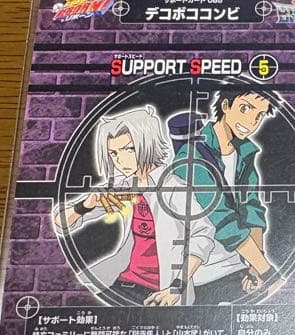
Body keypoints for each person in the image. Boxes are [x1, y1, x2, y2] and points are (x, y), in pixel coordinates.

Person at [53, 106, 219, 307]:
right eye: (113, 153)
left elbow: (203, 233)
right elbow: (60, 223)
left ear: (147, 144)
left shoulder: (173, 187)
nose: (120, 160)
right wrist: (85, 206)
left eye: (129, 149)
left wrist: (176, 288)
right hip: (124, 282)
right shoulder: (121, 187)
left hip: (164, 290)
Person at [169, 83, 280, 303]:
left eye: (259, 115)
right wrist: (268, 273)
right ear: (226, 106)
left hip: (239, 267)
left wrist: (255, 268)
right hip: (199, 274)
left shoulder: (245, 153)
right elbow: (220, 217)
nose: (251, 122)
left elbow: (252, 208)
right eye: (245, 109)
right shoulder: (191, 156)